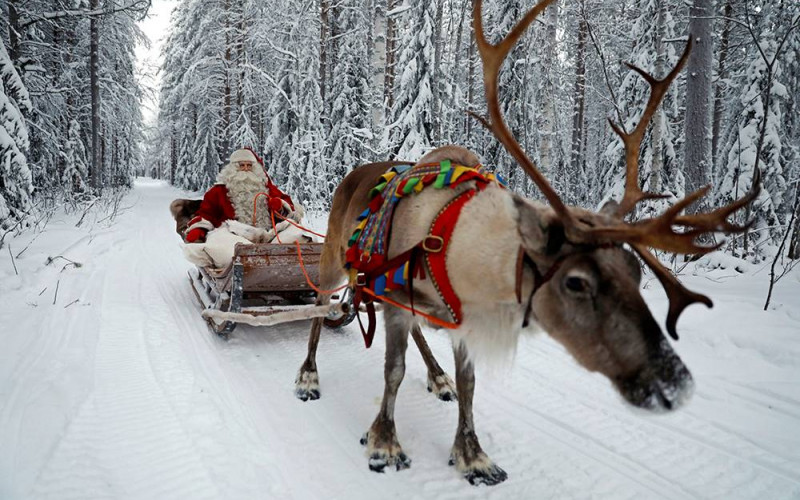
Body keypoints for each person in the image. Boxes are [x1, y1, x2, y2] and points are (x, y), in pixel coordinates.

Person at [182, 147, 307, 268]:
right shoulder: (218, 191)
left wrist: (280, 207)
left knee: (298, 234)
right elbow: (207, 214)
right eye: (242, 165)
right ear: (233, 168)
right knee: (229, 249)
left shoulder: (267, 188)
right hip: (232, 236)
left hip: (268, 237)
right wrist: (199, 229)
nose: (246, 169)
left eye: (249, 165)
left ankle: (299, 262)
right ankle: (247, 263)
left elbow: (289, 209)